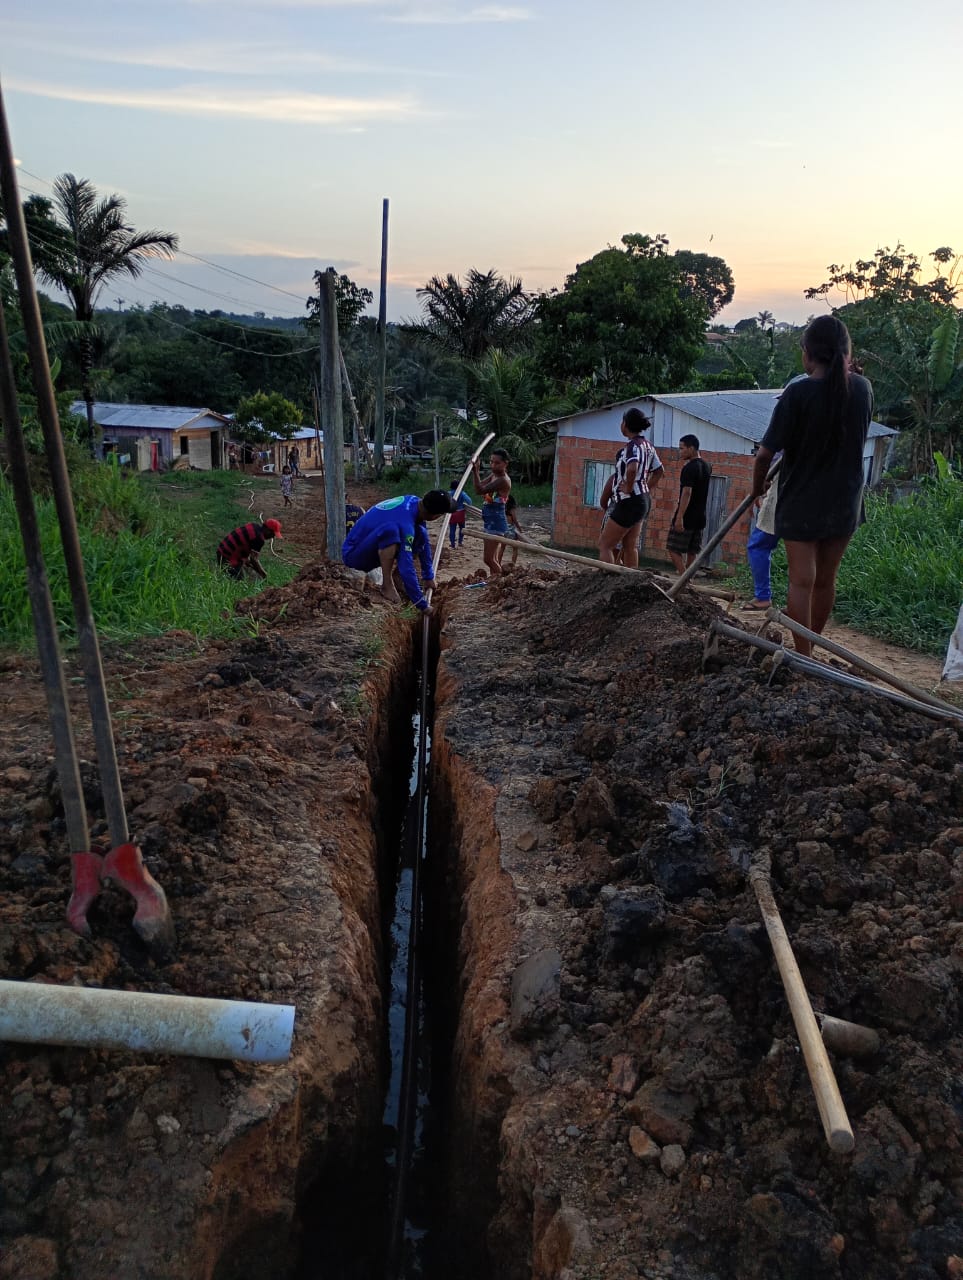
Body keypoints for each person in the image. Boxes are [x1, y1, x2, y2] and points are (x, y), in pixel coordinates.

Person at [751, 315, 873, 656]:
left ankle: (802, 655)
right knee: (825, 580)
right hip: (845, 500)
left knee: (801, 581)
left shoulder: (798, 393)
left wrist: (756, 490)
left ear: (808, 354)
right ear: (846, 352)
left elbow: (764, 456)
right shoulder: (863, 389)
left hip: (802, 502)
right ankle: (813, 650)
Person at [341, 490, 454, 614]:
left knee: (420, 532)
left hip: (368, 544)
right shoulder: (405, 524)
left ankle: (397, 578)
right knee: (391, 531)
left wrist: (429, 576)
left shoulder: (415, 502)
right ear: (434, 516)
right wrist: (421, 603)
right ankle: (387, 584)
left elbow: (424, 541)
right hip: (354, 556)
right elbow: (406, 567)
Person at [599, 407, 664, 567]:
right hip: (643, 500)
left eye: (622, 421)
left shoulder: (631, 447)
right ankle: (631, 585)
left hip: (629, 502)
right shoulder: (648, 446)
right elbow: (659, 471)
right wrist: (645, 487)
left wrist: (629, 487)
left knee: (605, 545)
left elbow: (632, 468)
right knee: (630, 547)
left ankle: (607, 580)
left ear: (626, 425)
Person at [666, 434, 712, 573]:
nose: (680, 451)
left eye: (682, 448)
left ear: (691, 448)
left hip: (688, 516)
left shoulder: (689, 468)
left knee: (673, 548)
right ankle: (689, 578)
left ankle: (684, 578)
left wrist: (679, 517)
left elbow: (687, 493)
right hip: (700, 517)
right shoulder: (707, 466)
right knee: (692, 550)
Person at [743, 469, 781, 611]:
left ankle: (763, 597)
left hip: (783, 494)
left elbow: (766, 460)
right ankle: (802, 603)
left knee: (758, 545)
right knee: (803, 550)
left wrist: (755, 493)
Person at [472, 448, 512, 577]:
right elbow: (480, 485)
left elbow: (480, 490)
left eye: (497, 463)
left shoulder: (503, 480)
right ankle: (493, 583)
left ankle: (500, 582)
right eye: (491, 462)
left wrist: (475, 471)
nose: (493, 465)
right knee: (492, 559)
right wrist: (475, 472)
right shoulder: (494, 475)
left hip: (496, 522)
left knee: (488, 559)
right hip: (490, 520)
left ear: (505, 463)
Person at [216, 518, 283, 580]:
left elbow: (244, 544)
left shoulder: (254, 526)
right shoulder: (259, 539)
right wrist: (264, 575)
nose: (272, 537)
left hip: (221, 550)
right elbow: (254, 560)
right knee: (239, 582)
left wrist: (246, 560)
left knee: (246, 571)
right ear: (267, 530)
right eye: (272, 534)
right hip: (227, 557)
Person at [494, 494, 523, 571]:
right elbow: (515, 520)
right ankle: (513, 565)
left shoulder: (503, 508)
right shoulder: (511, 509)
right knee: (515, 548)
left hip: (503, 528)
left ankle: (498, 563)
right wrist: (520, 529)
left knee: (502, 547)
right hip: (510, 529)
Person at [447, 483, 473, 548]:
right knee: (462, 528)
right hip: (460, 513)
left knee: (452, 529)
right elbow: (469, 502)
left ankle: (452, 544)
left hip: (452, 513)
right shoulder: (462, 493)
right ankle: (460, 542)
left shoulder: (449, 494)